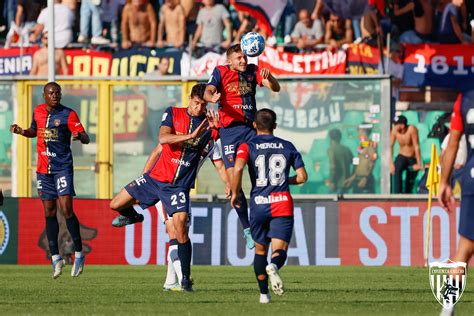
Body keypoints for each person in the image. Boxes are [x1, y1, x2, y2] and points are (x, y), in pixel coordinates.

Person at [109, 83, 218, 292]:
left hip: (177, 187)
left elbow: (219, 154)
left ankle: (185, 280)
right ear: (189, 99)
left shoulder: (209, 127)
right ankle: (134, 216)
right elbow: (162, 139)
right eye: (196, 104)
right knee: (116, 204)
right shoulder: (172, 113)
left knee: (180, 229)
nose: (198, 109)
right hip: (154, 179)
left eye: (202, 105)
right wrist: (189, 136)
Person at [9, 82, 90, 278]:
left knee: (66, 209)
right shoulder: (37, 111)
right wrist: (21, 131)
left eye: (57, 93)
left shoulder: (69, 114)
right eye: (51, 93)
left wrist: (80, 136)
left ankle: (79, 253)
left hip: (62, 168)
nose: (55, 95)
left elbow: (86, 137)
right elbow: (33, 131)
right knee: (49, 211)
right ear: (44, 95)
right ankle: (55, 257)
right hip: (43, 170)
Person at [204, 43, 280, 249]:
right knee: (233, 186)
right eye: (239, 58)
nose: (244, 61)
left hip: (250, 130)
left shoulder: (253, 72)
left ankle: (261, 222)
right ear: (230, 61)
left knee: (260, 178)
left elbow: (275, 88)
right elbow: (207, 91)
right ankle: (247, 228)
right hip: (229, 133)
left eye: (245, 57)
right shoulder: (220, 72)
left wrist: (270, 76)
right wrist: (213, 98)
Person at [230, 108, 307, 304]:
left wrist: (235, 192)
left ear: (254, 125)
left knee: (260, 251)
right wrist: (283, 180)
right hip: (282, 203)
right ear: (274, 126)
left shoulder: (247, 146)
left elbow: (238, 168)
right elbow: (302, 177)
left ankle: (264, 295)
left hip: (259, 204)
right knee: (279, 251)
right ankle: (274, 266)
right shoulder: (288, 146)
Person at [438, 91, 474, 316]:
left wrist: (444, 182)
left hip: (472, 177)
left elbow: (453, 142)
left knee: (464, 250)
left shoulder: (466, 98)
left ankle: (447, 307)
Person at [390, 115, 422, 193]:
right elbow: (390, 146)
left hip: (412, 157)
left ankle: (408, 193)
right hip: (402, 156)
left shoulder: (411, 130)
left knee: (410, 179)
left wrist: (418, 163)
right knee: (397, 169)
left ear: (402, 125)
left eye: (396, 124)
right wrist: (391, 163)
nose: (395, 126)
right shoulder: (394, 131)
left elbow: (416, 146)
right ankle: (398, 194)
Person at [343, 126, 377, 193]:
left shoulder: (372, 144)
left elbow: (372, 161)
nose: (358, 133)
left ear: (364, 132)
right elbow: (359, 160)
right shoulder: (362, 144)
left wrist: (366, 178)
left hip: (365, 179)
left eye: (359, 131)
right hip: (357, 178)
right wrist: (352, 178)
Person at [326, 129, 353, 194]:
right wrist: (352, 176)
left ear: (330, 138)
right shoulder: (346, 149)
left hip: (335, 183)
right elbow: (354, 161)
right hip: (345, 182)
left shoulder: (331, 149)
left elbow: (333, 166)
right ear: (340, 137)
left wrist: (331, 180)